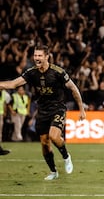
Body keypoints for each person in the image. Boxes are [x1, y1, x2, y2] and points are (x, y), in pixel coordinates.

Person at [0, 45, 86, 180]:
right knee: (45, 144)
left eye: (40, 55)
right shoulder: (31, 73)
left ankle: (66, 156)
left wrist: (81, 109)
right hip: (42, 110)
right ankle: (53, 172)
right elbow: (13, 84)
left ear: (47, 56)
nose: (37, 58)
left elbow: (74, 89)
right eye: (35, 55)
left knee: (54, 135)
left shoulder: (58, 72)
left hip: (58, 108)